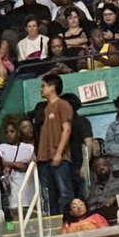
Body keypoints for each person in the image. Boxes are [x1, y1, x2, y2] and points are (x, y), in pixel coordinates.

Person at [35, 74, 74, 216]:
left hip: (58, 157)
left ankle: (68, 220)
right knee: (48, 194)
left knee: (64, 192)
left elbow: (67, 129)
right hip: (44, 158)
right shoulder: (45, 108)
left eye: (43, 85)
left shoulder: (63, 105)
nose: (41, 89)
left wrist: (59, 153)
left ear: (52, 87)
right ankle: (53, 223)